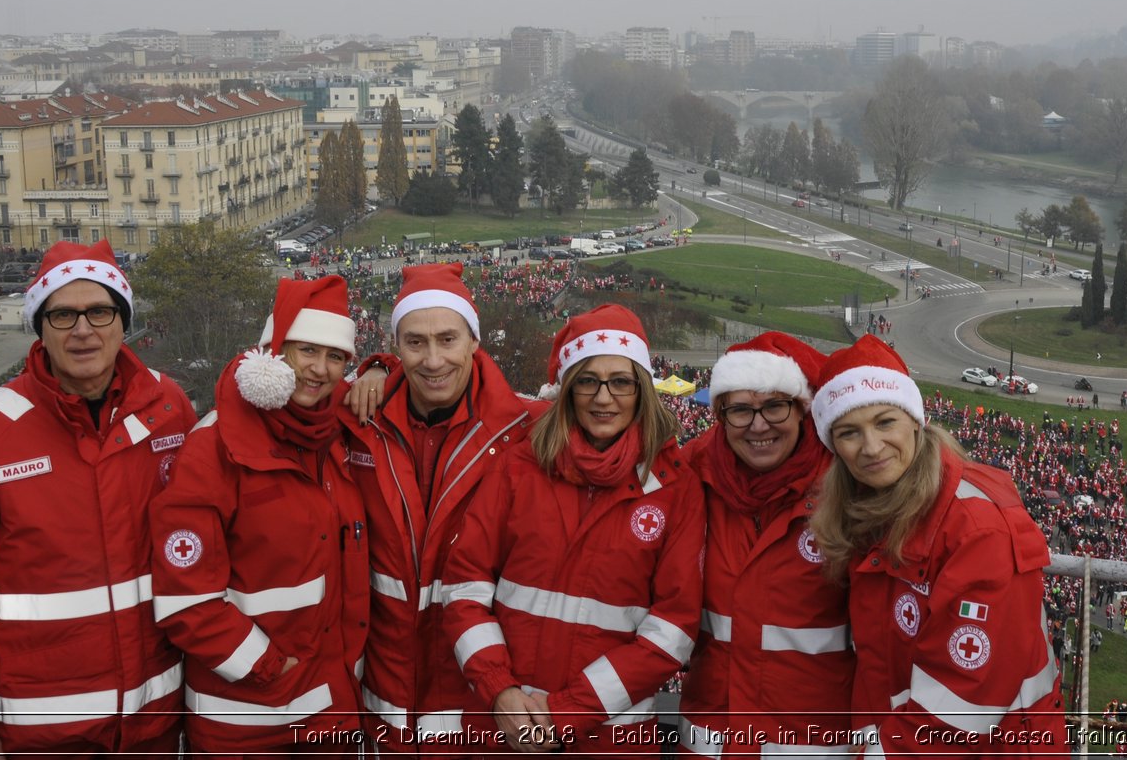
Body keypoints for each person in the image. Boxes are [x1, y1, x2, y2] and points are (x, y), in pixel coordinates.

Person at [0, 242, 193, 758]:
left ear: (122, 320)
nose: (84, 330)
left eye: (99, 311)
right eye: (63, 315)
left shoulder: (169, 407)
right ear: (40, 328)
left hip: (153, 728)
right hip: (37, 737)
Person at [441, 305, 703, 754]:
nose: (604, 398)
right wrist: (499, 689)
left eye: (620, 381)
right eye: (588, 381)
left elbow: (672, 629)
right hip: (503, 727)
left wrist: (567, 712)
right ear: (568, 390)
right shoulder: (519, 466)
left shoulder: (676, 488)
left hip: (608, 737)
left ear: (642, 390)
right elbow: (465, 585)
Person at [807, 336, 1065, 754]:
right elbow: (878, 664)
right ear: (832, 445)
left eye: (885, 422)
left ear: (915, 419)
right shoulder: (865, 507)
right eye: (849, 432)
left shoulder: (978, 528)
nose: (871, 447)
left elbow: (963, 700)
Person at [150, 275, 369, 755]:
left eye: (336, 357)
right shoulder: (213, 448)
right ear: (271, 356)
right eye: (307, 350)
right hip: (247, 720)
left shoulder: (335, 431)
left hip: (330, 709)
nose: (321, 369)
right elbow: (184, 598)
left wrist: (382, 370)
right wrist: (268, 666)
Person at [338, 263, 544, 750]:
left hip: (475, 695)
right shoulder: (358, 421)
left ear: (474, 341)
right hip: (381, 700)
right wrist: (373, 368)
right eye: (414, 343)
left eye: (447, 340)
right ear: (396, 346)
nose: (432, 360)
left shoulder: (527, 430)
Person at [678, 332, 855, 756]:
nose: (758, 426)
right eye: (740, 410)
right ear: (720, 415)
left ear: (802, 411)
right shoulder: (689, 478)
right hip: (709, 740)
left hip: (812, 743)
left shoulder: (849, 487)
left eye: (774, 406)